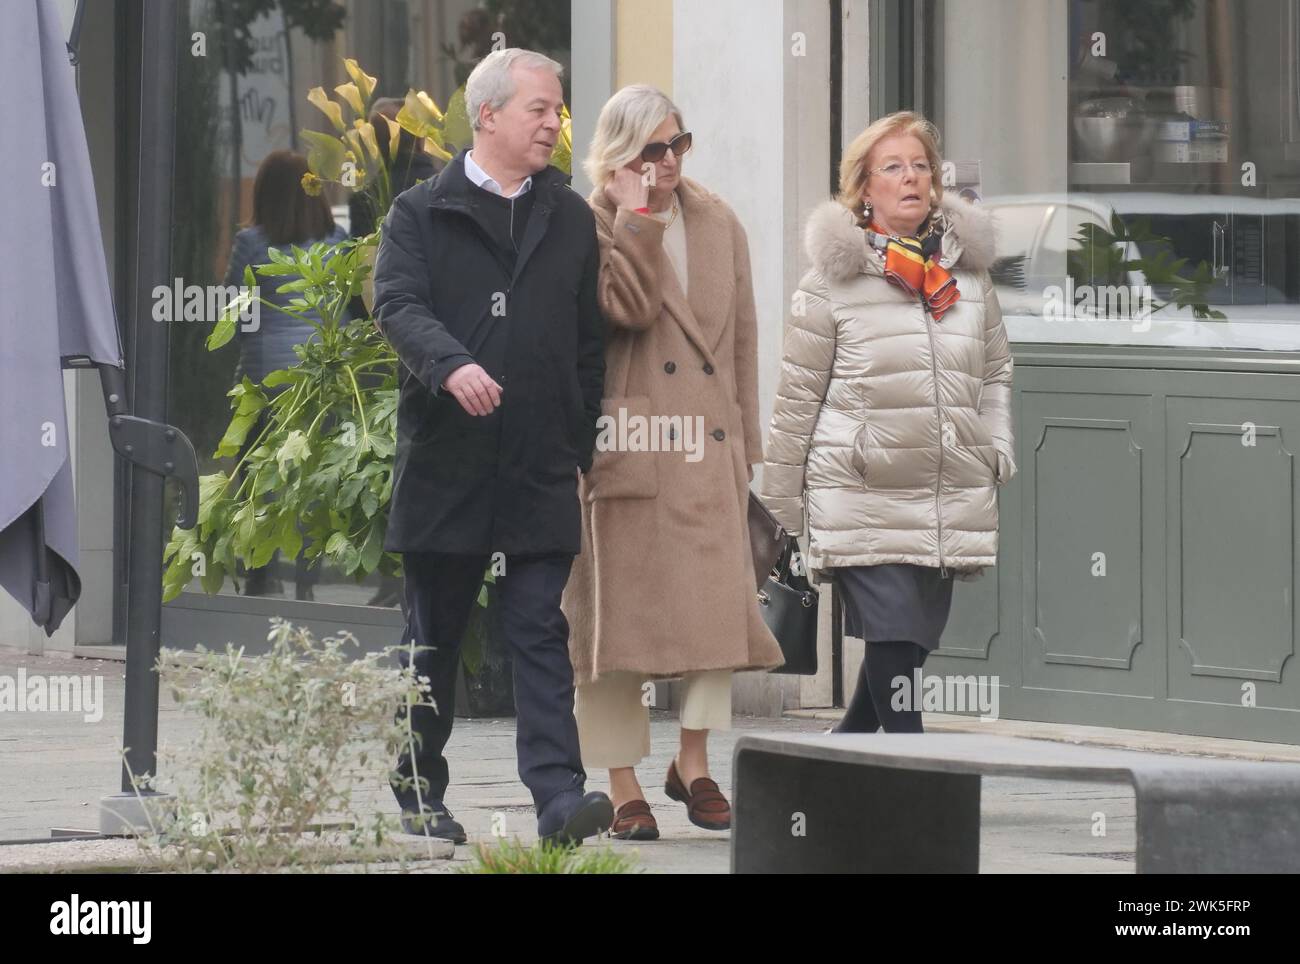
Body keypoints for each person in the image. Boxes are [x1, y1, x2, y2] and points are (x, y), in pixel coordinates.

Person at [372, 48, 611, 845]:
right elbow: (397, 304)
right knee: (432, 637)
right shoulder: (420, 212)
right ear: (488, 116)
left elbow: (589, 342)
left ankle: (558, 798)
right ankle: (419, 796)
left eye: (558, 109)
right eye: (540, 109)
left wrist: (578, 440)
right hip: (450, 464)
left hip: (540, 466)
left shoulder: (570, 215)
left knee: (541, 631)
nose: (554, 123)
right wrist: (451, 365)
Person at [562, 85, 784, 841]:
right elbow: (621, 308)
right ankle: (623, 782)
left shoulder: (720, 219)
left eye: (676, 145)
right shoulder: (585, 222)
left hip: (707, 447)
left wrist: (746, 448)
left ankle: (692, 760)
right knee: (613, 631)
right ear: (618, 154)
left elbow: (743, 340)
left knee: (719, 615)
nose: (666, 163)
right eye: (650, 150)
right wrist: (638, 216)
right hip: (630, 448)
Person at [761, 111, 1015, 734]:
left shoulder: (969, 278)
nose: (911, 179)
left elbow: (996, 372)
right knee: (897, 640)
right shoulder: (830, 284)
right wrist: (780, 505)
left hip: (945, 490)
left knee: (909, 643)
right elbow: (797, 399)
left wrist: (996, 448)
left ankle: (843, 752)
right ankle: (914, 775)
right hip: (860, 490)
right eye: (892, 167)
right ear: (864, 188)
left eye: (921, 165)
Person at [224, 149, 348, 600]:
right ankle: (307, 584)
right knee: (312, 479)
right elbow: (347, 310)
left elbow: (236, 314)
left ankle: (260, 573)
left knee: (258, 477)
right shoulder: (337, 242)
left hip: (262, 382)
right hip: (320, 382)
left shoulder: (252, 243)